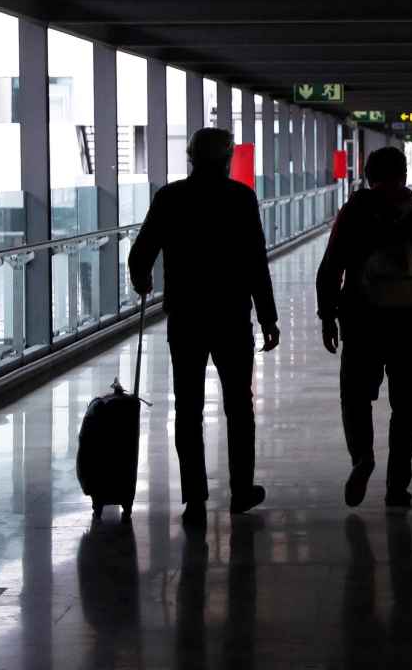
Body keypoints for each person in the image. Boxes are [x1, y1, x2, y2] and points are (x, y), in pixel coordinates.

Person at [128, 127, 279, 527]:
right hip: (231, 316)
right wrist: (268, 316)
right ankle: (241, 491)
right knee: (238, 405)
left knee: (189, 406)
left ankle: (194, 497)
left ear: (191, 157)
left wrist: (141, 278)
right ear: (227, 159)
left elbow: (140, 254)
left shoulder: (170, 198)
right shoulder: (240, 198)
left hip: (187, 317)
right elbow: (254, 262)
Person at [316, 146, 412, 509]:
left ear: (368, 176)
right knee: (407, 405)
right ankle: (397, 485)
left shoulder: (353, 212)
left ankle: (362, 457)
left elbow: (331, 265)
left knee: (355, 396)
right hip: (409, 324)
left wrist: (326, 315)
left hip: (361, 322)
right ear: (405, 175)